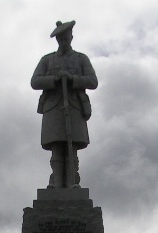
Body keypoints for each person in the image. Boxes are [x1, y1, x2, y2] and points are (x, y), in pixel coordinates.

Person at [31, 20, 97, 188]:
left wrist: (72, 79)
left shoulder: (81, 59)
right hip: (53, 106)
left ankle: (71, 182)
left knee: (71, 147)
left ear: (71, 38)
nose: (64, 41)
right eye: (61, 39)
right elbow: (35, 81)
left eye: (66, 38)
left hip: (75, 105)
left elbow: (92, 81)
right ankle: (57, 182)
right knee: (57, 147)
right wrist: (54, 79)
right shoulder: (47, 60)